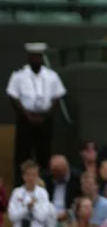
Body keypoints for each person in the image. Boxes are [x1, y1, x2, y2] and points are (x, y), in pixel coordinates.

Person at [6, 42, 66, 178]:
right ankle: (21, 185)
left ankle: (43, 184)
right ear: (28, 58)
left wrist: (47, 115)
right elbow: (13, 97)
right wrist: (27, 115)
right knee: (22, 155)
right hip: (25, 119)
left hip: (46, 119)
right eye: (33, 57)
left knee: (44, 155)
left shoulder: (52, 76)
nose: (36, 60)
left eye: (38, 57)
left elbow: (57, 97)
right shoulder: (19, 76)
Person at [9, 160, 57, 227]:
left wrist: (33, 207)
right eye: (28, 174)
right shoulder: (16, 193)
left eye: (34, 175)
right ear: (23, 176)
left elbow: (42, 217)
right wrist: (26, 208)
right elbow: (12, 217)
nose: (31, 178)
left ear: (38, 176)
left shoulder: (43, 193)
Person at [45, 155, 81, 222]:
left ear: (65, 170)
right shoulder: (47, 178)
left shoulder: (77, 179)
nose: (54, 175)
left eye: (57, 172)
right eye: (53, 171)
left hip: (69, 218)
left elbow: (80, 201)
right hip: (49, 217)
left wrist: (68, 213)